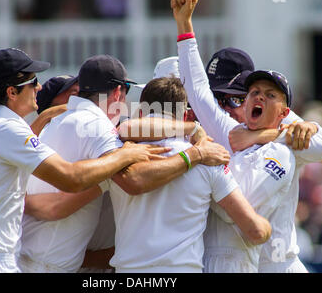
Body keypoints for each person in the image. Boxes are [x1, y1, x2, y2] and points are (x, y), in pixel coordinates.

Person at [0, 48, 167, 273]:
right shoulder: (7, 129)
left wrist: (45, 117)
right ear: (12, 92)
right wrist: (125, 155)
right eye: (33, 81)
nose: (39, 87)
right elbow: (70, 178)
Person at [172, 0, 322, 272]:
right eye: (254, 92)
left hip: (279, 264)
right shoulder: (230, 129)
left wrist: (263, 135)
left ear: (285, 113)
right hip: (242, 263)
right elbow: (198, 91)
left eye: (270, 95)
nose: (259, 97)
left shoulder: (286, 147)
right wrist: (184, 24)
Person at [19, 54, 230, 273]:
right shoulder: (99, 128)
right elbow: (134, 180)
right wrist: (194, 152)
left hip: (28, 256)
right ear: (118, 92)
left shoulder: (55, 123)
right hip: (45, 266)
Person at [108, 76, 271, 273]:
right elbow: (255, 231)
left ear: (141, 113)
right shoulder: (210, 158)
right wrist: (268, 228)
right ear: (185, 116)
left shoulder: (117, 155)